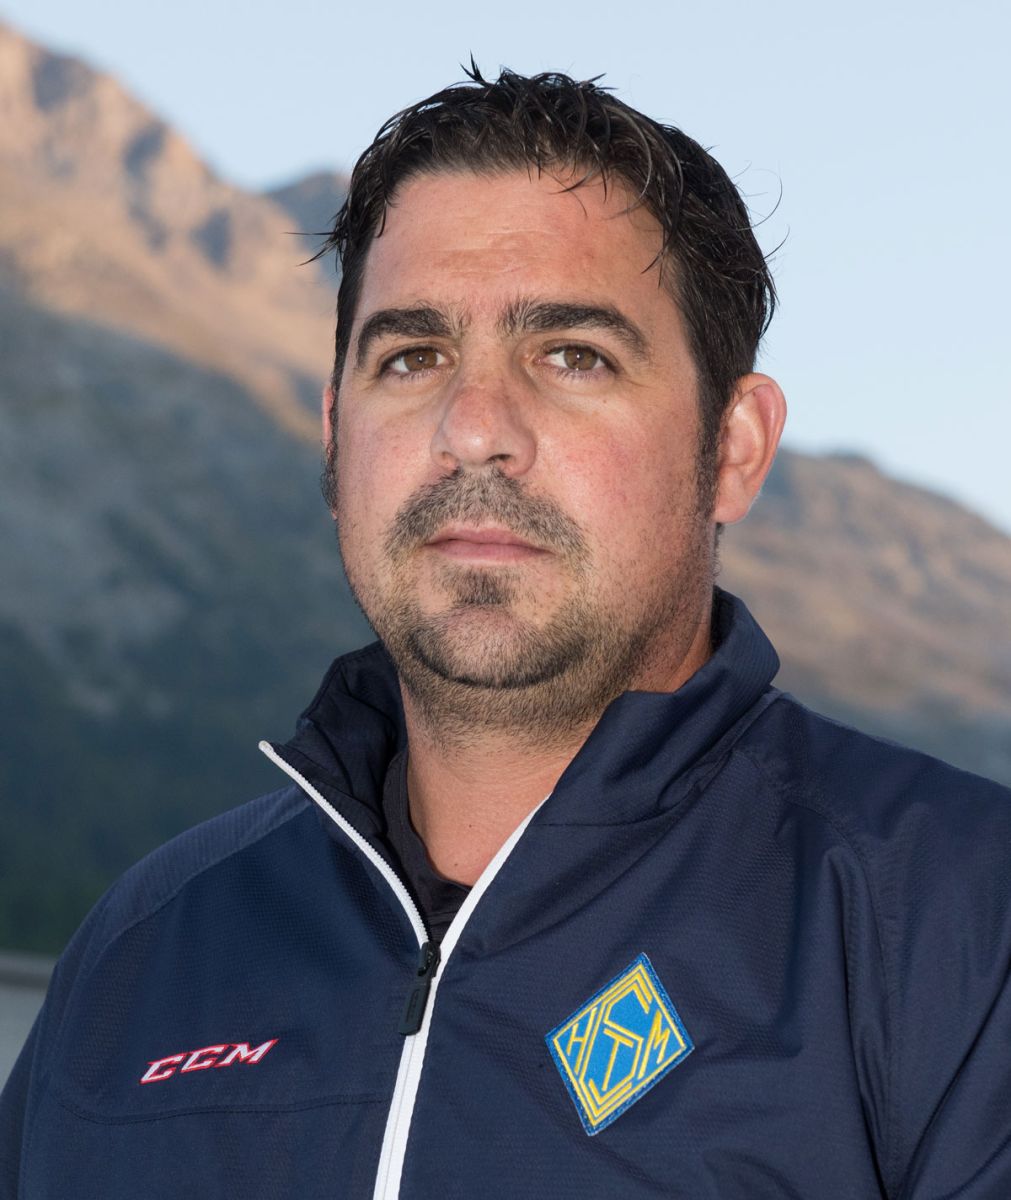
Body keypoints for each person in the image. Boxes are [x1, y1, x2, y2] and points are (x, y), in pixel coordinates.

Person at [2, 67, 1010, 1200]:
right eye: (411, 357)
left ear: (733, 448)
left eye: (573, 354)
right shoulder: (140, 953)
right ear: (335, 440)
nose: (472, 428)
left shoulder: (958, 925)